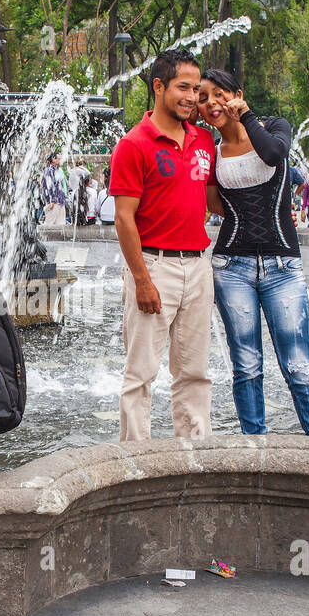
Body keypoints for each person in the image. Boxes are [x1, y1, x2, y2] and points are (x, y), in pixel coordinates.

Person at [198, 68, 309, 439]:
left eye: (219, 94)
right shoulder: (211, 151)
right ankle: (254, 448)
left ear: (237, 94)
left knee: (299, 364)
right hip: (231, 266)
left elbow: (274, 155)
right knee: (246, 365)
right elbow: (215, 205)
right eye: (204, 97)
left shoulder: (273, 126)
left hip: (283, 266)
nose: (212, 103)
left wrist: (246, 116)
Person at [109, 48, 214, 441]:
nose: (191, 97)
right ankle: (135, 459)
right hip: (154, 265)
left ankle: (194, 451)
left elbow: (214, 197)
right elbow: (124, 218)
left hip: (199, 266)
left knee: (194, 371)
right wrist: (142, 280)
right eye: (183, 87)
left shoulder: (203, 141)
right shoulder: (134, 144)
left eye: (196, 89)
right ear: (159, 86)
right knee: (141, 372)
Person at [41, 152, 67, 226]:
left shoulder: (57, 170)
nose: (61, 160)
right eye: (59, 159)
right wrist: (51, 200)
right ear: (53, 159)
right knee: (50, 224)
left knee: (61, 225)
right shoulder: (49, 170)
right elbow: (48, 186)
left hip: (60, 201)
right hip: (54, 202)